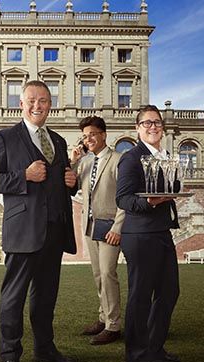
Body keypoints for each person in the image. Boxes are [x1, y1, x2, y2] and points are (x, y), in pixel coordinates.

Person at [0, 80, 77, 362]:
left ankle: (44, 348)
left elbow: (62, 180)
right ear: (21, 103)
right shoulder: (4, 138)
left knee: (46, 295)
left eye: (43, 100)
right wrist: (22, 176)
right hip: (23, 228)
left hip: (55, 228)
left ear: (49, 105)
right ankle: (9, 355)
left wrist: (73, 182)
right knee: (13, 296)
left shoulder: (58, 140)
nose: (37, 106)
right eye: (31, 100)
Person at [115, 105, 181, 362]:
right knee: (141, 296)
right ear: (137, 128)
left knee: (169, 292)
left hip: (161, 232)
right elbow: (123, 198)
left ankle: (154, 347)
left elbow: (171, 190)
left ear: (162, 127)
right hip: (140, 235)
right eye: (146, 123)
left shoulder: (166, 157)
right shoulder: (131, 158)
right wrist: (151, 203)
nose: (152, 127)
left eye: (156, 122)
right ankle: (136, 355)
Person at [70, 116, 125, 345]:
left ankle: (113, 326)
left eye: (92, 134)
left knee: (107, 273)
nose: (88, 139)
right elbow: (70, 187)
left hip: (110, 226)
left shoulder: (118, 160)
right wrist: (73, 161)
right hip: (91, 225)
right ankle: (103, 318)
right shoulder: (85, 163)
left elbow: (125, 196)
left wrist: (118, 227)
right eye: (85, 136)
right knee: (97, 274)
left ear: (103, 134)